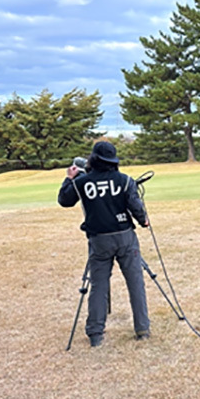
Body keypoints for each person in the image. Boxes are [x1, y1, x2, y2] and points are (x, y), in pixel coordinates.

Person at [58, 141, 151, 347]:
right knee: (135, 282)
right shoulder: (125, 181)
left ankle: (95, 333)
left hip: (98, 239)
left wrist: (69, 178)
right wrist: (143, 220)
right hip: (125, 236)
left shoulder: (82, 182)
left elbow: (64, 200)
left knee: (98, 285)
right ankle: (142, 328)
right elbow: (135, 206)